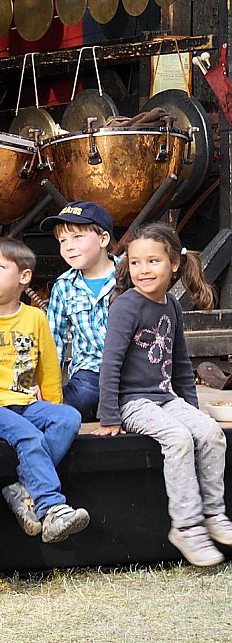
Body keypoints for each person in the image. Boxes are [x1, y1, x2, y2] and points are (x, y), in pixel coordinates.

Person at [97, 222, 232, 566]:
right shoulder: (126, 306)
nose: (143, 270)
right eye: (136, 262)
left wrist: (193, 409)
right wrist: (109, 415)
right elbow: (110, 363)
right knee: (178, 438)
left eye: (152, 261)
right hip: (132, 402)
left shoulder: (171, 304)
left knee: (210, 433)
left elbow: (182, 363)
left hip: (164, 398)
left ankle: (214, 514)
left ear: (173, 264)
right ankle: (186, 527)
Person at [0, 237, 90, 544]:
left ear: (24, 276)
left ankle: (22, 488)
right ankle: (51, 507)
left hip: (24, 402)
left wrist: (53, 404)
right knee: (29, 436)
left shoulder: (35, 317)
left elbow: (49, 369)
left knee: (68, 418)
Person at [41, 201, 117, 421]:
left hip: (130, 367)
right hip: (90, 372)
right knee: (81, 395)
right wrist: (49, 389)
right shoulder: (64, 286)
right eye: (62, 241)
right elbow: (54, 341)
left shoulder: (128, 276)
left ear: (103, 239)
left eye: (77, 237)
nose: (68, 247)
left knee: (139, 396)